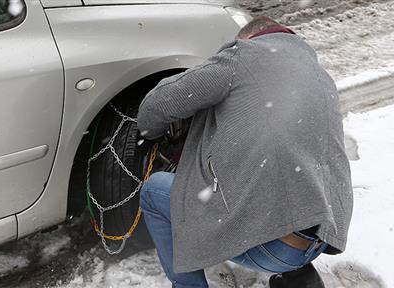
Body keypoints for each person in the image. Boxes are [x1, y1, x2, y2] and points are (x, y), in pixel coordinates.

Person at [136, 16, 353, 288]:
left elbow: (159, 104)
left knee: (154, 192)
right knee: (287, 172)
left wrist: (149, 132)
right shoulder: (319, 76)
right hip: (319, 238)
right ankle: (296, 272)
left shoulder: (243, 54)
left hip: (274, 247)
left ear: (246, 38)